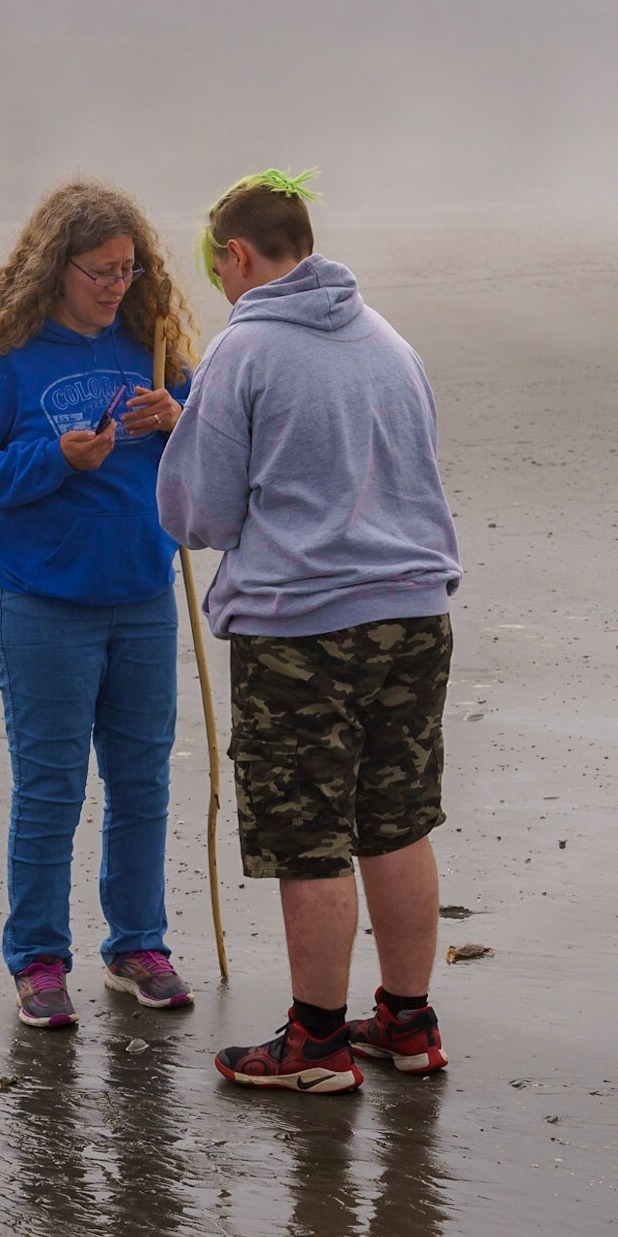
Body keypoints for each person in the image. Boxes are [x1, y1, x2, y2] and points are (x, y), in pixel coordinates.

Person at [157, 170, 462, 1091]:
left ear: (239, 257)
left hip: (304, 629)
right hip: (415, 611)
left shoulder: (243, 352)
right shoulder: (389, 339)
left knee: (313, 836)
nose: (222, 289)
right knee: (397, 822)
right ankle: (407, 1025)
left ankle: (317, 1043)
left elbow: (199, 515)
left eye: (219, 272)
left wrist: (182, 442)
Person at [0, 179, 200, 1029]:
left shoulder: (153, 347)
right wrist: (55, 461)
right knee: (50, 788)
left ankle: (136, 947)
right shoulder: (0, 362)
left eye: (129, 268)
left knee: (141, 782)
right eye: (100, 271)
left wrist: (178, 420)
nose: (117, 285)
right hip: (40, 599)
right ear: (56, 267)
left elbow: (215, 445)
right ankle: (39, 962)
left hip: (144, 594)